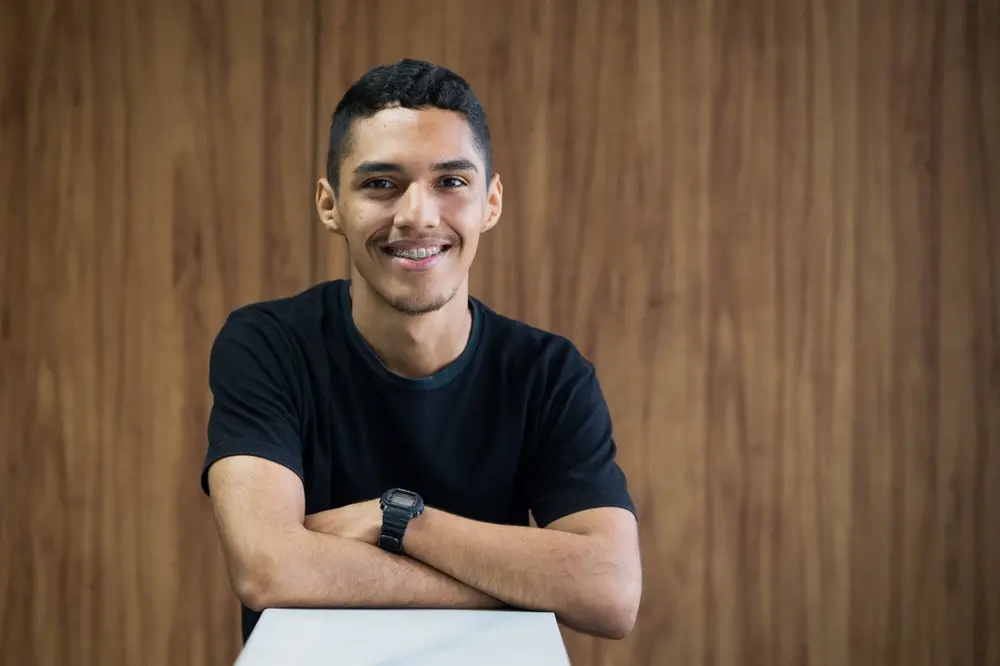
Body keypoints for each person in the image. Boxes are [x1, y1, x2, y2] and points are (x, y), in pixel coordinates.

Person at [200, 58, 642, 644]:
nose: (417, 215)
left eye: (451, 182)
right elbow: (268, 567)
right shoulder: (267, 345)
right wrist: (518, 584)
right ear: (330, 205)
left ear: (491, 201)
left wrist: (397, 520)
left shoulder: (549, 373)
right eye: (380, 183)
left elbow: (610, 590)